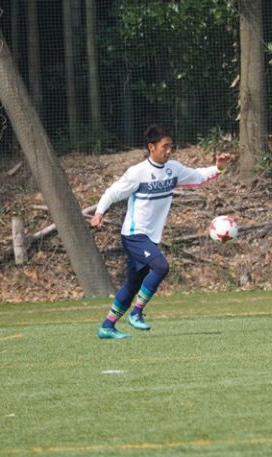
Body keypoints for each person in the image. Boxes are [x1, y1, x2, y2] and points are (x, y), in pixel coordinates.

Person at [91, 124, 232, 339]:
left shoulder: (173, 169)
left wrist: (218, 168)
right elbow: (112, 193)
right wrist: (99, 212)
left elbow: (197, 176)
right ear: (151, 147)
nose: (168, 150)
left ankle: (107, 327)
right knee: (161, 266)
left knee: (133, 285)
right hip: (134, 235)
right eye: (164, 146)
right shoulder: (137, 173)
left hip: (150, 238)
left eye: (170, 146)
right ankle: (136, 313)